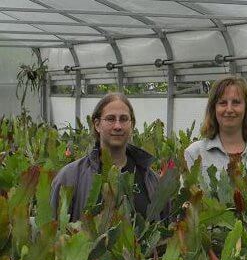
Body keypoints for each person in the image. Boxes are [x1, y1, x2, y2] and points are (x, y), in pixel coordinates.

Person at [50, 93, 163, 221]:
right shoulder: (69, 177)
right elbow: (53, 231)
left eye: (124, 119)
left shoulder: (152, 180)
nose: (118, 126)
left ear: (132, 125)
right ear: (97, 125)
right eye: (110, 119)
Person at [184, 76, 247, 195]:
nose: (229, 109)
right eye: (223, 103)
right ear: (213, 108)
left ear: (246, 108)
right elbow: (187, 205)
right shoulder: (194, 154)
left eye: (236, 102)